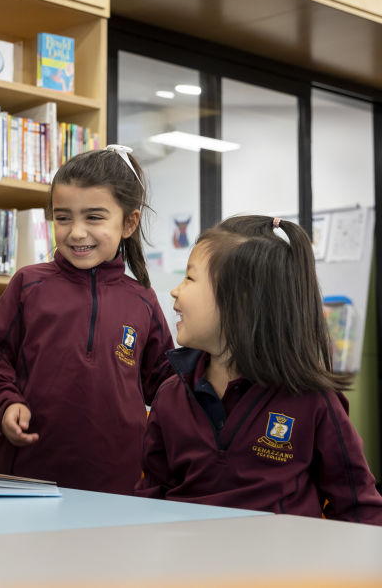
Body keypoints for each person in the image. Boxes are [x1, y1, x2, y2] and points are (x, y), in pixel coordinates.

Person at [135, 216, 382, 524]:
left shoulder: (313, 402)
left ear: (241, 300)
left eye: (189, 278)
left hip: (283, 571)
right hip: (190, 567)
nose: (174, 291)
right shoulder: (170, 395)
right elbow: (151, 498)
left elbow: (359, 508)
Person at [0, 145, 173, 494]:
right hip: (29, 478)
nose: (76, 232)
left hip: (119, 484)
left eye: (94, 217)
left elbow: (166, 387)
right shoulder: (28, 284)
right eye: (63, 218)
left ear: (129, 222)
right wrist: (7, 404)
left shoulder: (143, 300)